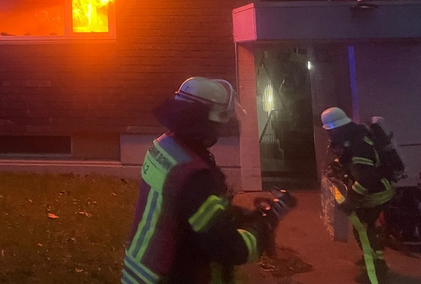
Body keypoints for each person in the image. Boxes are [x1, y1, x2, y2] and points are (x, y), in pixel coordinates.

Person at [121, 77, 289, 284]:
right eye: (219, 124)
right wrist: (265, 224)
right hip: (171, 275)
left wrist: (236, 215)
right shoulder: (194, 175)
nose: (220, 130)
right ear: (204, 122)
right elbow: (229, 248)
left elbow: (183, 208)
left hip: (141, 270)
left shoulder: (165, 146)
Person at [322, 107, 396, 284]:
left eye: (330, 131)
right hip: (377, 189)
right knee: (364, 228)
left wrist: (350, 202)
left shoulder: (356, 145)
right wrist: (338, 165)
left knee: (364, 228)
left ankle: (378, 268)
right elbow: (353, 161)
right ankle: (372, 258)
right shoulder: (355, 136)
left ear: (335, 129)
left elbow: (366, 179)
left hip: (376, 193)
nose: (329, 136)